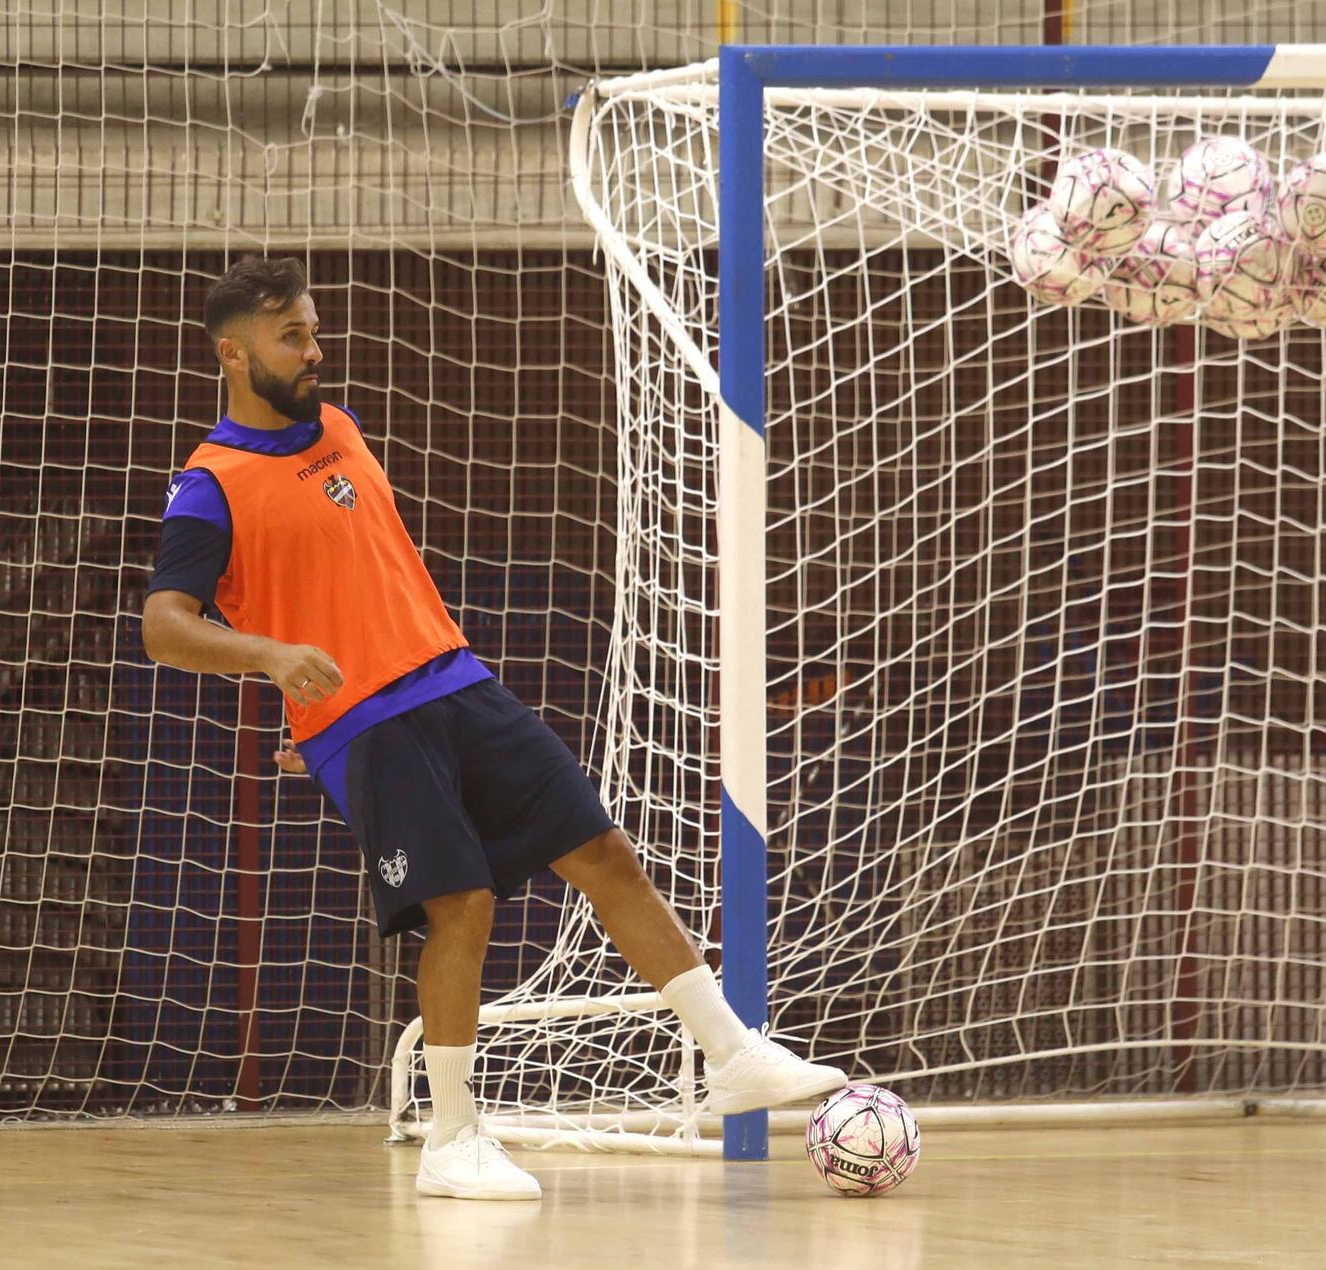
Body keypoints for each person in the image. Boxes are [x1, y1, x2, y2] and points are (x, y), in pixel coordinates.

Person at [140, 257, 845, 1200]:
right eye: (292, 337)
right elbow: (164, 626)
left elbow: (357, 578)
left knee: (601, 848)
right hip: (368, 719)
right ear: (234, 355)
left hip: (456, 681)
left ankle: (730, 1055)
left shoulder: (339, 428)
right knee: (461, 905)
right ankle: (452, 1140)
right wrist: (272, 660)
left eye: (313, 329)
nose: (315, 350)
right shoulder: (209, 483)